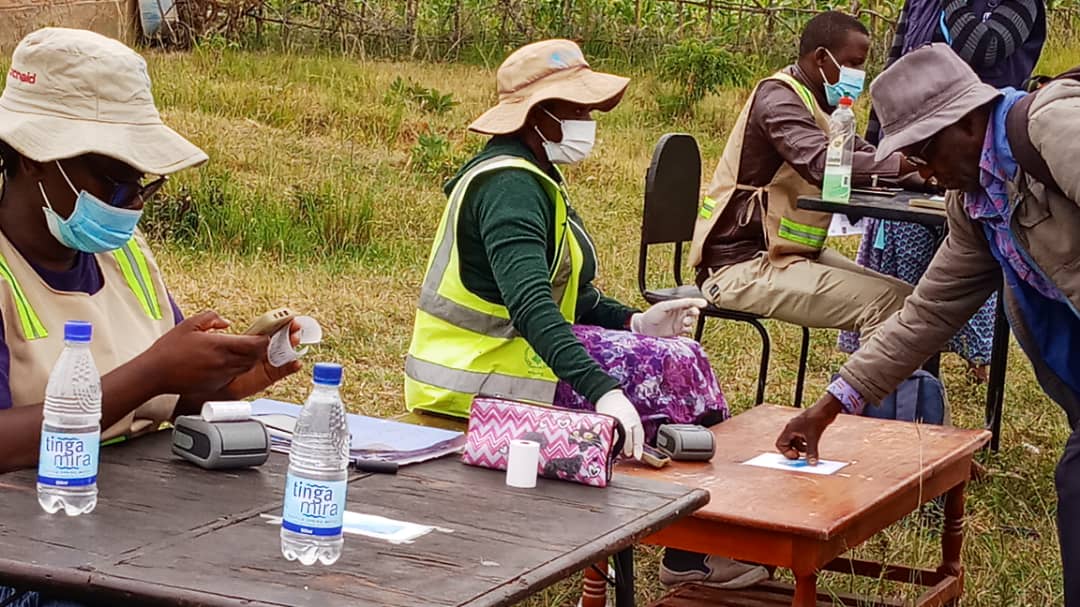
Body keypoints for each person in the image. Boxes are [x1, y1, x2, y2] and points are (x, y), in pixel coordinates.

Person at [404, 39, 764, 588]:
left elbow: (569, 295)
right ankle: (695, 546)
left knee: (674, 354)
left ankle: (693, 537)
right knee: (677, 369)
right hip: (485, 378)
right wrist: (603, 389)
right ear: (538, 117)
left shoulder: (531, 176)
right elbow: (529, 306)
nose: (588, 122)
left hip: (516, 358)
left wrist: (634, 323)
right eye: (575, 111)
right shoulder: (510, 187)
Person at [775, 44, 1080, 604]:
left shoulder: (1052, 124)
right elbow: (929, 312)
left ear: (964, 122)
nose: (924, 172)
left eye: (924, 152)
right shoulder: (976, 202)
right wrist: (833, 404)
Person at [845, 0, 1047, 377]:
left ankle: (978, 361)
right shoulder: (919, 3)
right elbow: (897, 76)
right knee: (923, 273)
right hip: (947, 162)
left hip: (989, 162)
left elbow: (984, 48)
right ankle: (920, 373)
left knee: (983, 267)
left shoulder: (1020, 4)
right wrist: (884, 156)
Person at [690, 12, 917, 343]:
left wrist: (925, 173)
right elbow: (822, 164)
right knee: (888, 304)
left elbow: (867, 157)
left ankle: (903, 395)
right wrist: (904, 167)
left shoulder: (822, 108)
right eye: (852, 64)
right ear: (822, 57)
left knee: (913, 301)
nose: (859, 75)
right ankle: (860, 396)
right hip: (739, 267)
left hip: (787, 254)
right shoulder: (779, 99)